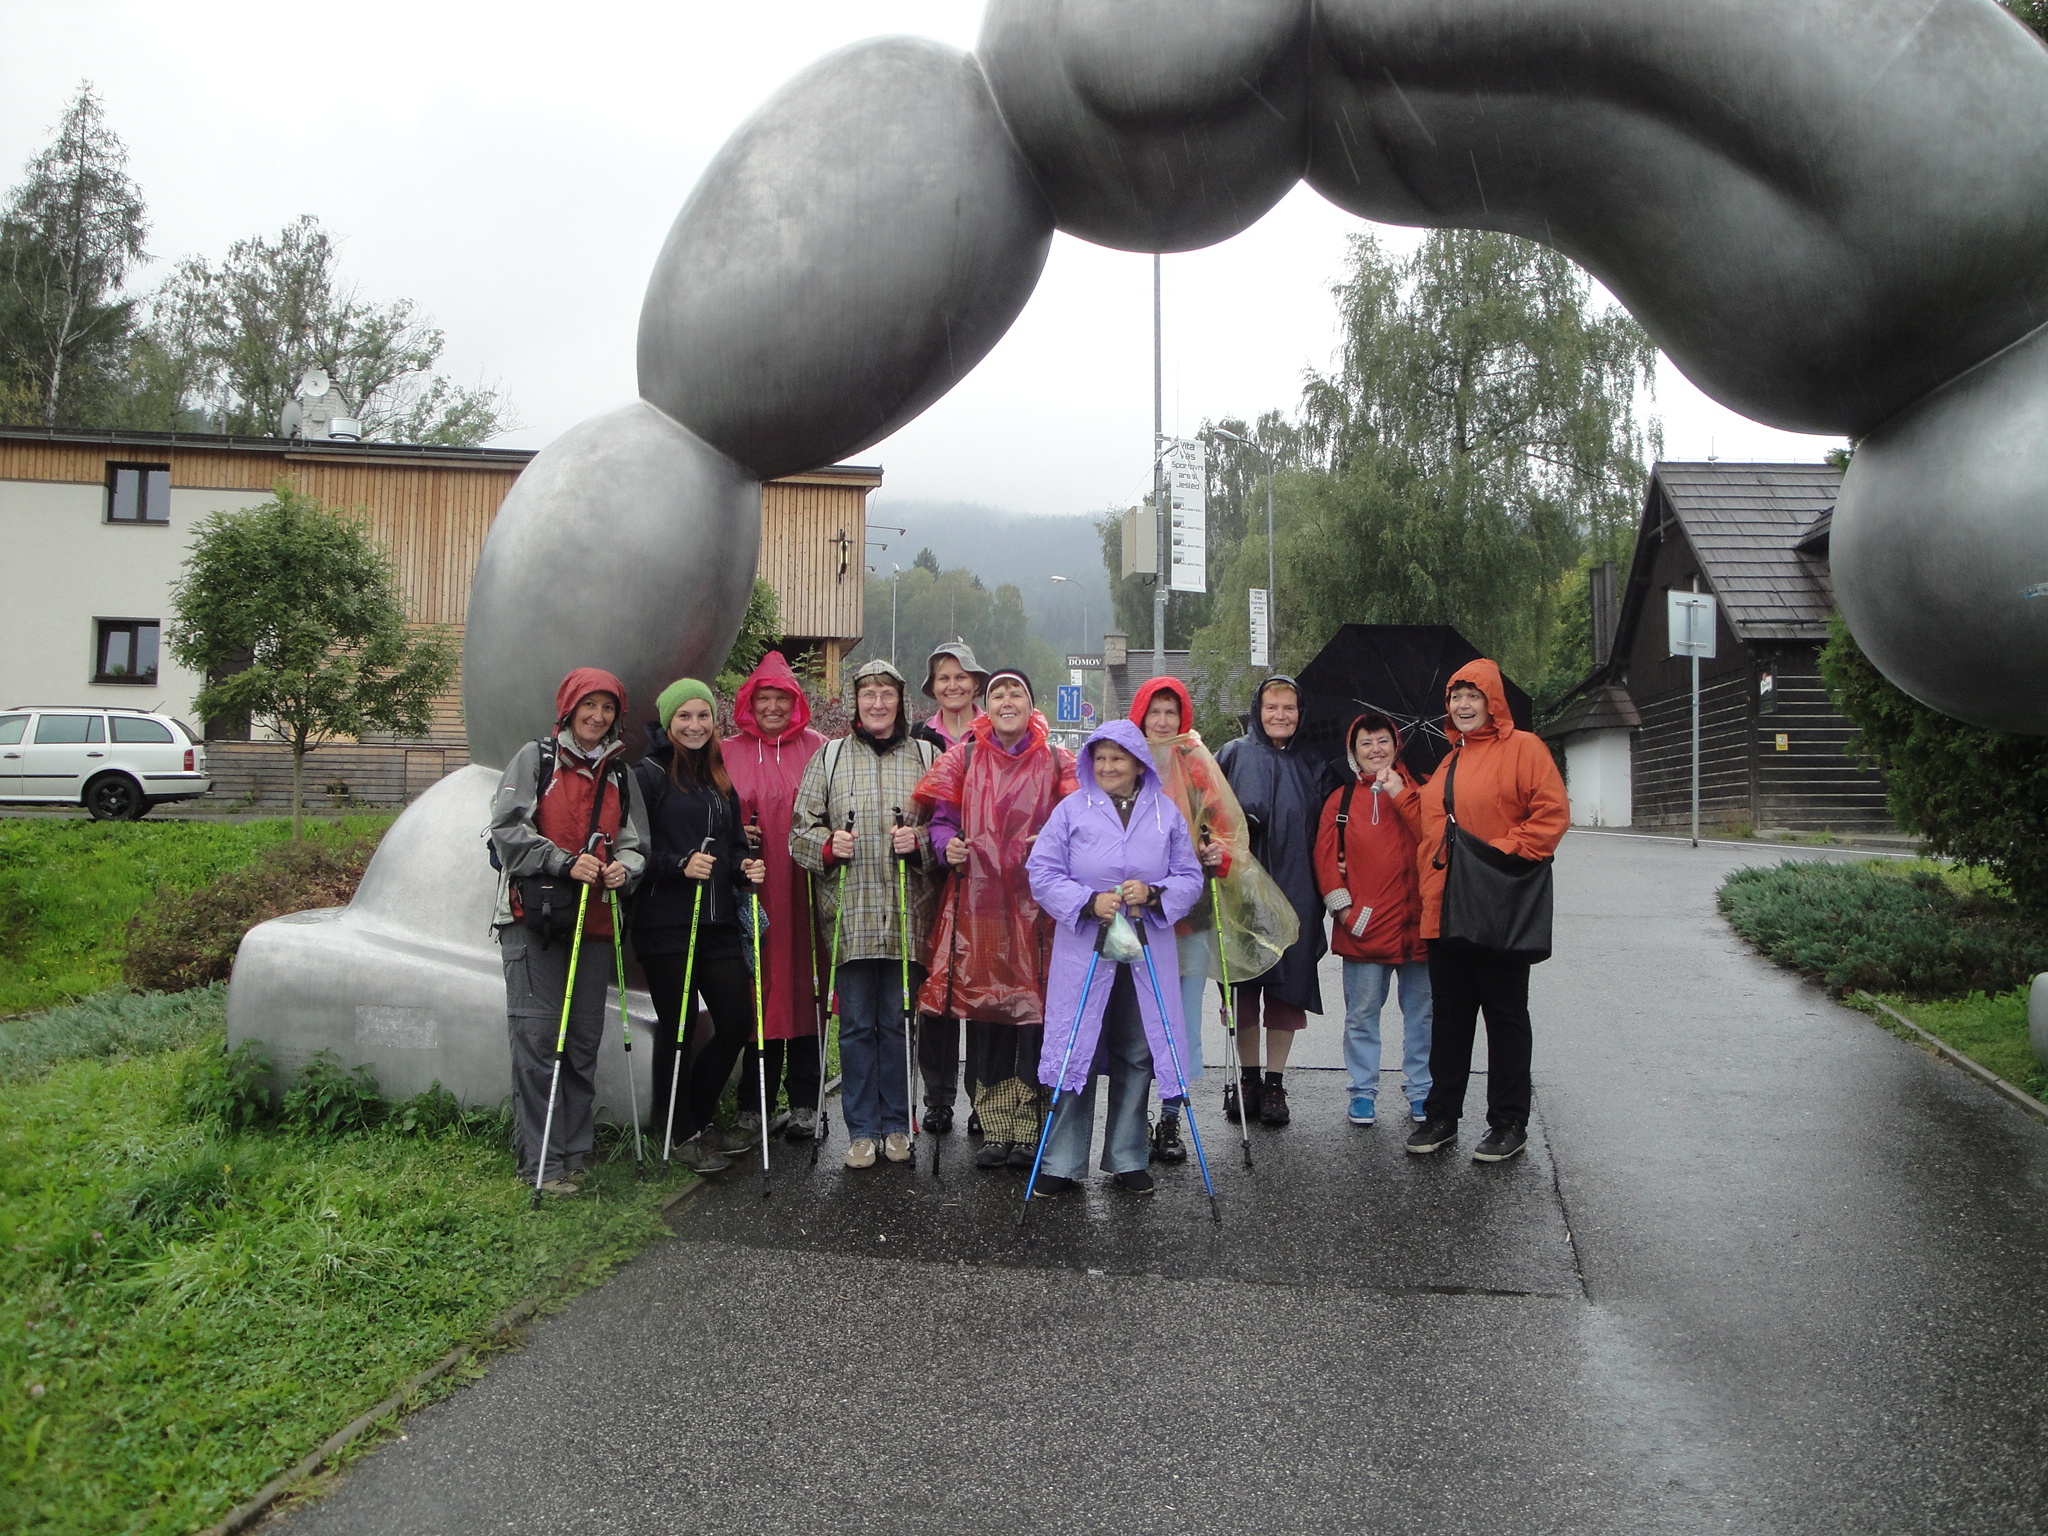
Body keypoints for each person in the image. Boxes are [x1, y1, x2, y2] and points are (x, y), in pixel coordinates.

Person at [1384, 660, 1568, 1163]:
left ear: (1492, 701)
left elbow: (1551, 814)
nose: (1462, 706)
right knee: (1451, 1017)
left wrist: (1499, 851)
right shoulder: (1450, 759)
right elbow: (1432, 830)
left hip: (1495, 902)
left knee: (1505, 1017)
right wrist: (1400, 794)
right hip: (1445, 909)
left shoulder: (1524, 749)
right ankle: (1442, 1115)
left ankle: (1509, 1122)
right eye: (1455, 697)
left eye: (1472, 696)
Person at [1026, 721, 1204, 1196]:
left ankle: (1127, 1157)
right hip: (1087, 947)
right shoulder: (1070, 811)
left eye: (1117, 758)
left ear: (1137, 763)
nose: (1107, 767)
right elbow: (1041, 871)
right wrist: (1087, 901)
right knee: (1074, 1049)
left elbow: (1190, 877)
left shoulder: (1166, 814)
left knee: (1137, 1050)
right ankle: (1061, 1161)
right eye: (1100, 758)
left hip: (1145, 950)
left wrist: (1154, 892)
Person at [489, 668, 648, 1195]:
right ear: (569, 707)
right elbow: (507, 830)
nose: (598, 717)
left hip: (597, 922)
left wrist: (626, 868)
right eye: (590, 705)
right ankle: (541, 1163)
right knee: (538, 1041)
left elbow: (634, 842)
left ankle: (574, 1154)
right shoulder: (535, 760)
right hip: (532, 922)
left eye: (607, 708)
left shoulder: (620, 774)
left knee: (581, 1043)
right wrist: (562, 862)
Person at [914, 668, 1078, 1170]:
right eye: (999, 693)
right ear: (988, 704)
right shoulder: (962, 756)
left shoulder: (1058, 759)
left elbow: (1082, 821)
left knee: (1033, 1017)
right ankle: (997, 1126)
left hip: (1038, 912)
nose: (1007, 700)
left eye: (1017, 693)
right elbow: (940, 822)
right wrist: (950, 847)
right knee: (988, 1015)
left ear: (1031, 703)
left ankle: (1030, 1128)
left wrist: (1055, 840)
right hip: (979, 906)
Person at [790, 659, 940, 1169]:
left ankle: (898, 1124)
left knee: (898, 1023)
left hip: (906, 913)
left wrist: (917, 841)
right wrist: (829, 847)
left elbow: (945, 831)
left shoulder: (926, 754)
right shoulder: (828, 759)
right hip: (850, 914)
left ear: (901, 701)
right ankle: (862, 1130)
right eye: (867, 693)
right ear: (855, 701)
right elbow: (798, 835)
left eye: (887, 694)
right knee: (855, 1024)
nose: (877, 703)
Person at [633, 679, 766, 1174]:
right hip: (666, 921)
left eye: (703, 716)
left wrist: (743, 867)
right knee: (680, 1028)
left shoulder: (717, 778)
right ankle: (677, 1129)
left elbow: (730, 846)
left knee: (735, 1023)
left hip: (716, 921)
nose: (694, 725)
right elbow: (635, 853)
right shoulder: (646, 775)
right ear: (668, 722)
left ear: (714, 722)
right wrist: (677, 864)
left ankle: (699, 1118)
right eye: (684, 717)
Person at [723, 652, 829, 1145]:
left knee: (804, 990)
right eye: (762, 698)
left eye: (780, 698)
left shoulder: (822, 750)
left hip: (807, 891)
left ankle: (806, 1100)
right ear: (749, 702)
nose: (771, 707)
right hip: (753, 892)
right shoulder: (725, 753)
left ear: (795, 702)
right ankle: (755, 1101)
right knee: (757, 989)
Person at [1214, 675, 1327, 1128]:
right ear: (1257, 709)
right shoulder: (1234, 755)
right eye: (1271, 706)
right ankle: (1248, 1077)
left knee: (1287, 989)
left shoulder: (1315, 764)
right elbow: (1207, 813)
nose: (1280, 715)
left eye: (1289, 707)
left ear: (1301, 713)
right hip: (1244, 890)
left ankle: (1275, 1083)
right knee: (1245, 985)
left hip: (1298, 888)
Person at [1127, 676, 1227, 1164]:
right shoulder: (1125, 763)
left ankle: (1171, 1116)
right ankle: (1135, 1116)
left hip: (1186, 915)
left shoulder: (1195, 764)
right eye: (1155, 711)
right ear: (1141, 715)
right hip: (1134, 915)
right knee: (1137, 1023)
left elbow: (1222, 824)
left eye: (1171, 711)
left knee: (1181, 1022)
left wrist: (1215, 851)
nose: (1163, 721)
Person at [1315, 712, 1431, 1129]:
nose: (1375, 750)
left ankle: (1421, 1090)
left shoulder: (1421, 789)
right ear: (1354, 752)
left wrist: (1403, 795)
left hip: (1419, 925)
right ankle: (1362, 1091)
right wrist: (1345, 911)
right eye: (1366, 743)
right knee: (1362, 1015)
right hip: (1365, 929)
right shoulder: (1341, 801)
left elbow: (1434, 840)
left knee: (1423, 1014)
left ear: (1396, 745)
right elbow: (1326, 861)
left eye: (1382, 741)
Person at [909, 639, 990, 1134]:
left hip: (985, 882)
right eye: (944, 677)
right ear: (933, 687)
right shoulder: (920, 738)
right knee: (936, 990)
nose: (953, 685)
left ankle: (983, 1098)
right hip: (929, 877)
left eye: (961, 676)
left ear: (977, 683)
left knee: (980, 990)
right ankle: (938, 1097)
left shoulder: (994, 729)